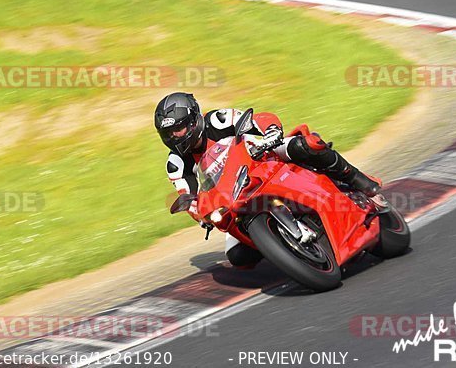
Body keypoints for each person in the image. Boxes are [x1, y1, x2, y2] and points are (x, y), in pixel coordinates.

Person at [154, 92, 387, 268]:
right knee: (238, 258)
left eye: (180, 129)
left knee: (305, 145)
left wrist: (271, 132)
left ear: (194, 120)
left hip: (265, 159)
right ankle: (286, 246)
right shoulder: (176, 164)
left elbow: (258, 118)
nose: (175, 136)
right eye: (169, 134)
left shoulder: (217, 120)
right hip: (235, 198)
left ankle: (358, 180)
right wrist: (200, 215)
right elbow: (188, 196)